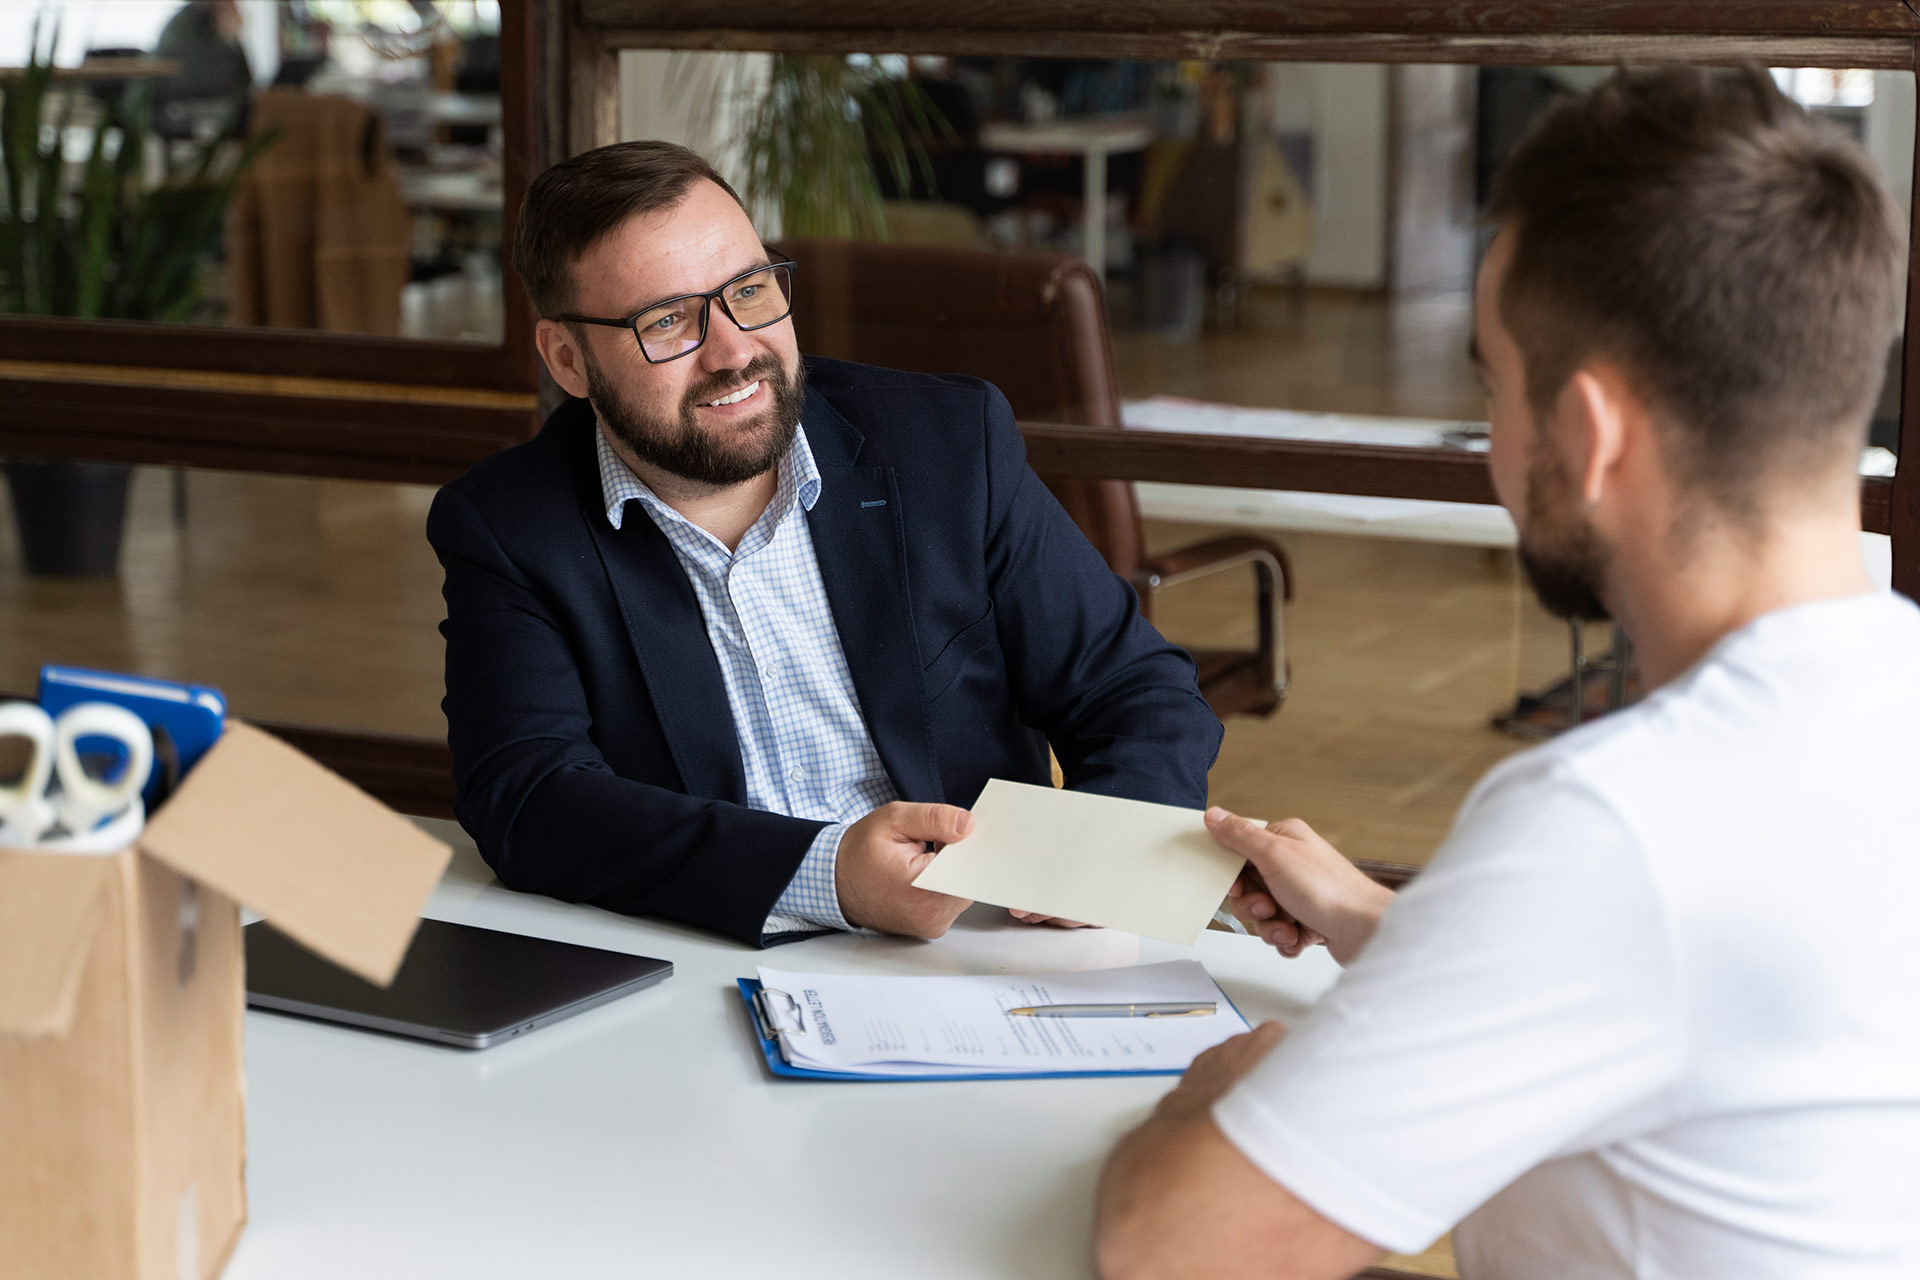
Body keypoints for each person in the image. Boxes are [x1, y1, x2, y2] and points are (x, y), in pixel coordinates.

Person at [1096, 65, 1920, 1279]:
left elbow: (1172, 1247)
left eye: (1495, 387)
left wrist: (1220, 1091)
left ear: (1589, 436)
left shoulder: (1612, 822)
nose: (1494, 444)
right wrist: (1410, 931)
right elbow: (1703, 987)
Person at [428, 141, 1221, 948]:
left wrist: (1090, 854)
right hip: (709, 955)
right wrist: (825, 873)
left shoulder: (944, 445)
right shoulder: (511, 526)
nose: (734, 350)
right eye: (667, 320)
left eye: (751, 290)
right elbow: (527, 796)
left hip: (974, 947)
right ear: (568, 358)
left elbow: (1133, 686)